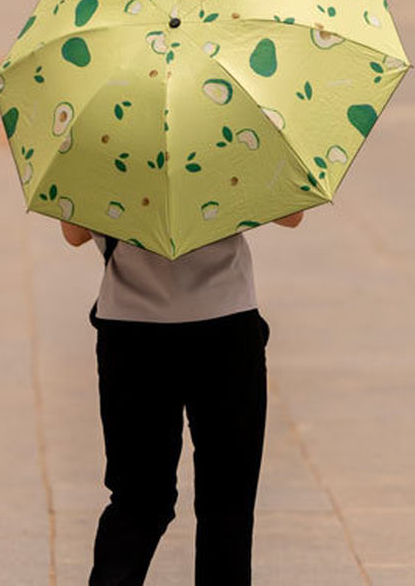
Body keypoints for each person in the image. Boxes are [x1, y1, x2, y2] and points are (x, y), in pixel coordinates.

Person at [60, 210, 305, 585]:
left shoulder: (97, 147)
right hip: (225, 321)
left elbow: (73, 233)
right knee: (228, 503)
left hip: (131, 329)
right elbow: (292, 215)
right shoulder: (229, 147)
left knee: (138, 500)